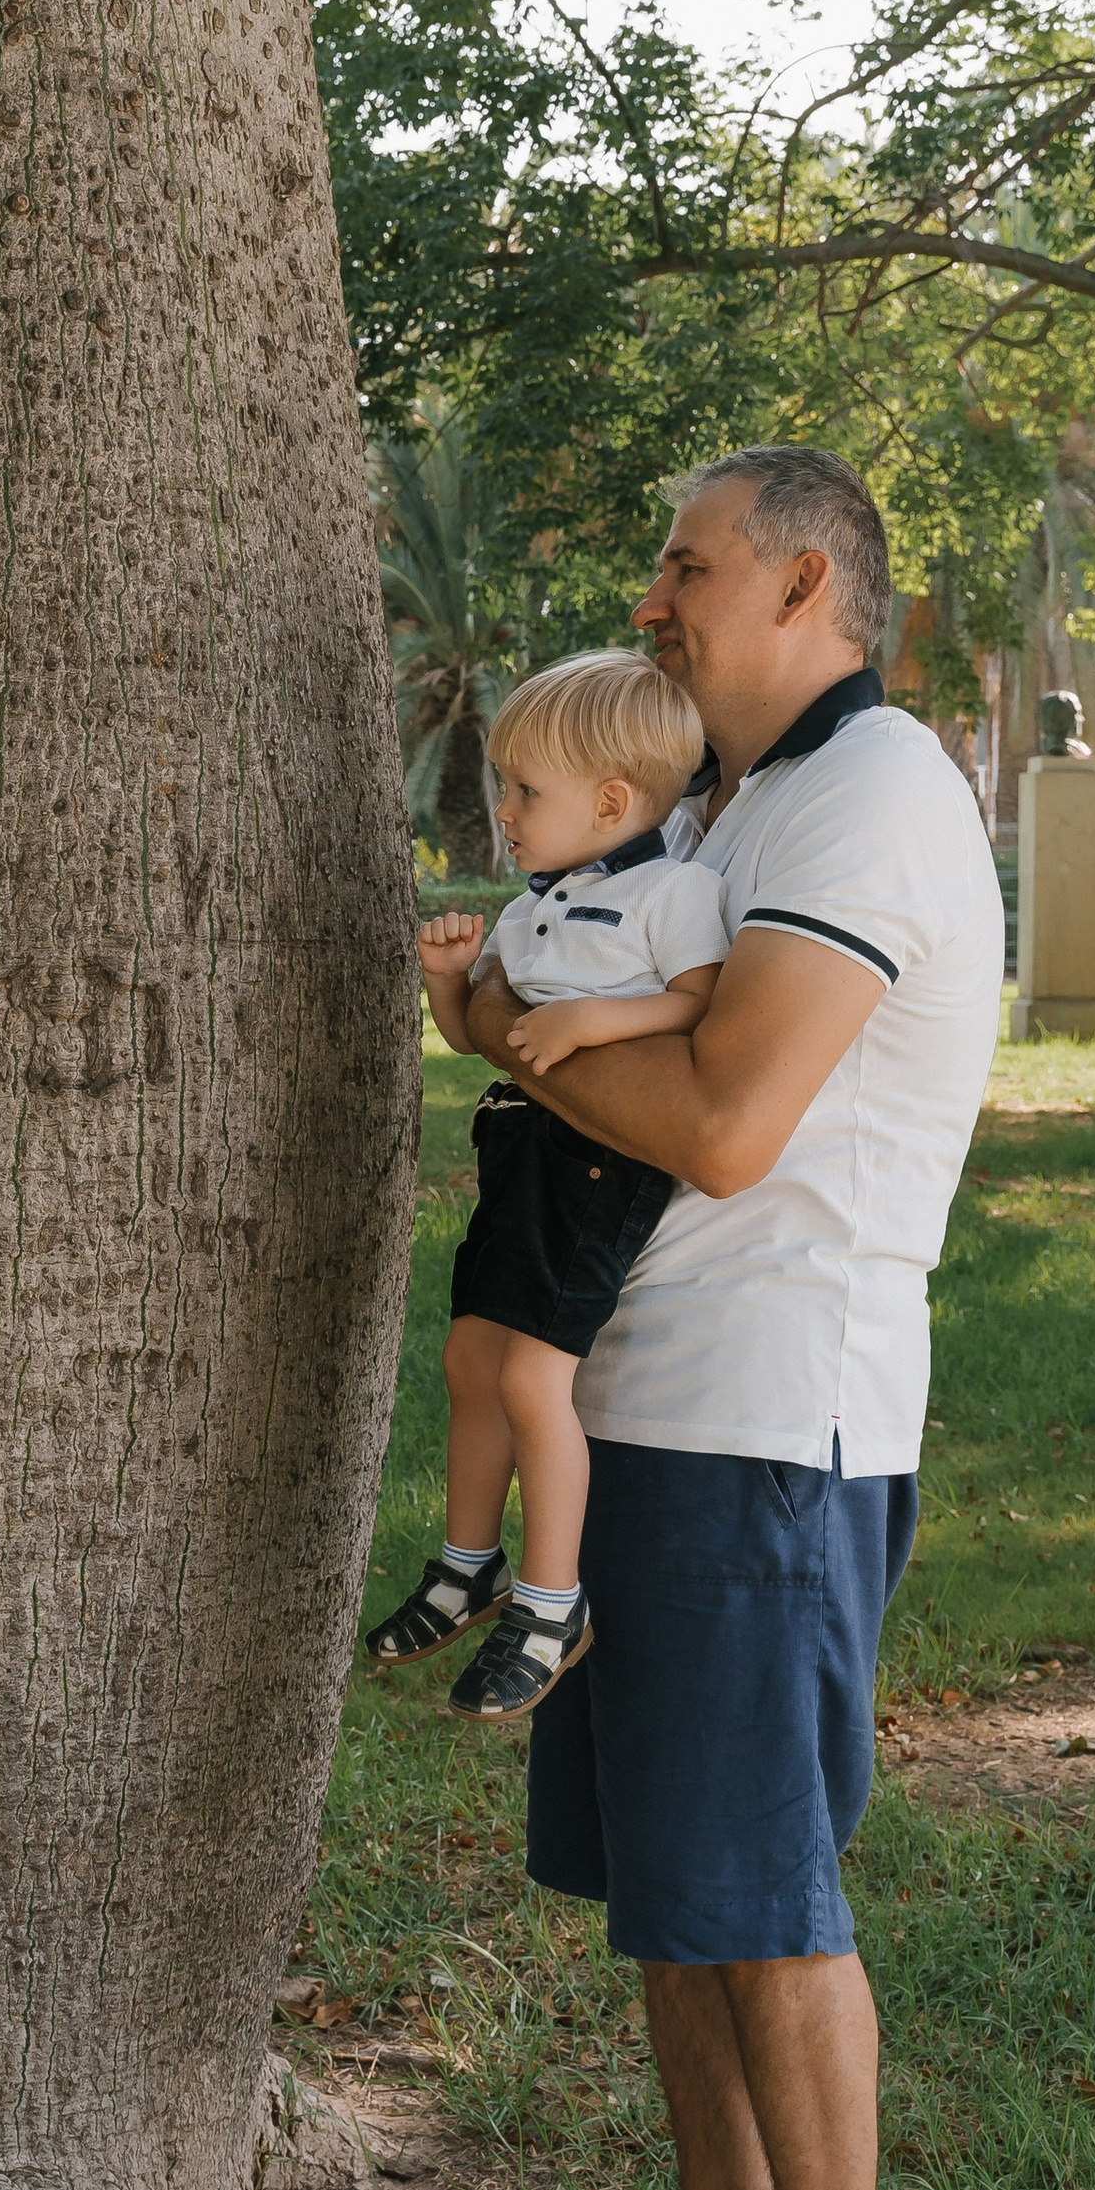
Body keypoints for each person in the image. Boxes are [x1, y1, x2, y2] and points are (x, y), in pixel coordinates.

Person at [463, 448, 1001, 2190]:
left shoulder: (867, 800)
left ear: (800, 583)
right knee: (677, 1900)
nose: (653, 596)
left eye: (683, 567)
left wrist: (501, 1025)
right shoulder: (737, 808)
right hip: (653, 1414)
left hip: (774, 1429)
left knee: (764, 1909)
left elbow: (721, 1120)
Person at [368, 652, 726, 1717]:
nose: (502, 810)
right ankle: (465, 1560)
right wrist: (445, 982)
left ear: (611, 802)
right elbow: (481, 1035)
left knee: (532, 1378)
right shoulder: (531, 912)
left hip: (599, 1162)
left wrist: (597, 1018)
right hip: (517, 1147)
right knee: (470, 1354)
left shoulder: (674, 891)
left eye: (524, 790)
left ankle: (548, 1599)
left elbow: (700, 1002)